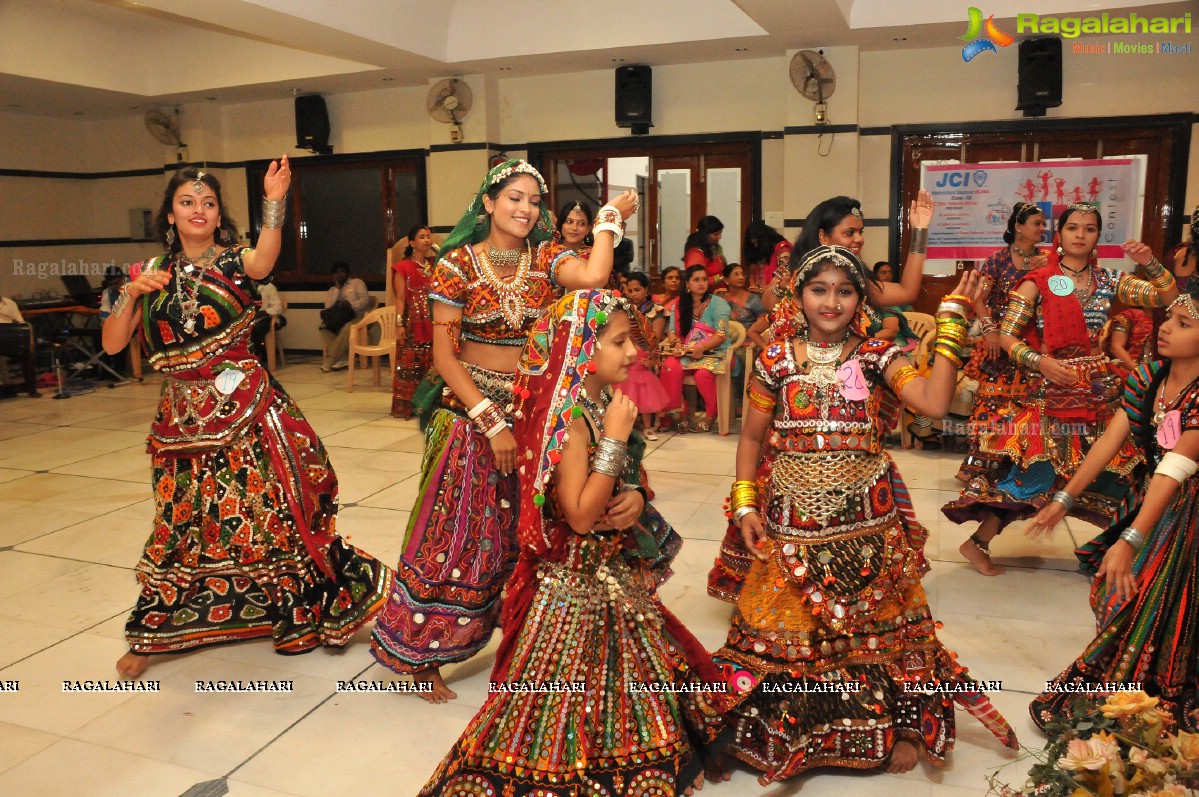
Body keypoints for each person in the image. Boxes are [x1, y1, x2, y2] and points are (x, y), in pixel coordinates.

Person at [708, 246, 1017, 781]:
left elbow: (934, 404)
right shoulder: (776, 358)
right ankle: (788, 730)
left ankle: (895, 725)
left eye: (845, 291)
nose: (832, 302)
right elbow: (753, 437)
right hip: (790, 523)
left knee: (879, 631)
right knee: (775, 630)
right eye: (819, 290)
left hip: (867, 526)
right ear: (798, 296)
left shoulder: (877, 355)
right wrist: (744, 503)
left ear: (860, 298)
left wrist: (950, 323)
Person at [417, 289, 724, 796]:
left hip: (608, 575)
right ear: (582, 348)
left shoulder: (596, 405)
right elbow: (580, 516)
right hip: (571, 589)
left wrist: (635, 496)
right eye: (620, 342)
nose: (632, 353)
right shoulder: (573, 423)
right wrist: (615, 440)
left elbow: (618, 484)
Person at [100, 163, 393, 678]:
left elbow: (264, 261)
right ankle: (160, 629)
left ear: (218, 216)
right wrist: (132, 293)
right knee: (183, 522)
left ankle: (293, 610)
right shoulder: (148, 271)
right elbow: (113, 343)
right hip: (181, 424)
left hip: (246, 413)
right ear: (170, 213)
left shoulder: (236, 261)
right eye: (188, 202)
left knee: (266, 515)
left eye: (208, 203)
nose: (198, 210)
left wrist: (274, 203)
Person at [369, 160, 637, 702]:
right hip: (468, 410)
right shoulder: (456, 266)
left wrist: (608, 219)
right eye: (514, 198)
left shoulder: (545, 257)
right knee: (459, 529)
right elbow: (445, 357)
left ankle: (515, 634)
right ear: (488, 203)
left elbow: (593, 277)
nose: (525, 209)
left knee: (522, 527)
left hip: (530, 409)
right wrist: (489, 422)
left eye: (535, 202)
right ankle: (424, 652)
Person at [954, 203, 1177, 575]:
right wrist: (1041, 363)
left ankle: (1123, 552)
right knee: (1039, 473)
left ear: (1096, 238)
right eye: (1073, 227)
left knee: (1121, 472)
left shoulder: (1110, 279)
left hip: (1097, 391)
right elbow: (1008, 337)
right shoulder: (1037, 280)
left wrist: (1151, 262)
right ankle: (977, 542)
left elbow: (1167, 298)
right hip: (1051, 389)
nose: (1080, 234)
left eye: (1089, 229)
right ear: (1060, 234)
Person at [1027, 285, 1199, 730]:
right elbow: (1111, 439)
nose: (1165, 328)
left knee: (1159, 604)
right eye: (1170, 318)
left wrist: (1130, 538)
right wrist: (1064, 498)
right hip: (1155, 501)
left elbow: (1176, 467)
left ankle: (1149, 698)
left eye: (1184, 324)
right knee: (1127, 598)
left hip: (1187, 516)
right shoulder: (1150, 377)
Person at [941, 202, 1050, 574]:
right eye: (1037, 223)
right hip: (1000, 361)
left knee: (1026, 448)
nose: (1042, 229)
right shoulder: (998, 262)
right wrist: (988, 330)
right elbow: (977, 299)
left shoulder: (1048, 262)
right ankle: (984, 519)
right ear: (1018, 227)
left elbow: (1068, 296)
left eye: (1044, 224)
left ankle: (993, 520)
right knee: (995, 443)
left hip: (1035, 359)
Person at [659, 265, 732, 433]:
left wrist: (702, 347)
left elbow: (721, 334)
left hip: (716, 353)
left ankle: (711, 415)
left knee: (702, 375)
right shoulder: (679, 305)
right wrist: (677, 343)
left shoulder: (718, 304)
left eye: (704, 279)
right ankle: (679, 413)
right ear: (687, 284)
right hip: (688, 353)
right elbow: (671, 332)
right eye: (696, 280)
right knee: (670, 366)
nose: (701, 283)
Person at [391, 224, 437, 419]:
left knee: (434, 364)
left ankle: (430, 405)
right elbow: (400, 298)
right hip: (412, 323)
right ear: (412, 243)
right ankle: (408, 406)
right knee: (411, 367)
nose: (427, 240)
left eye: (428, 236)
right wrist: (399, 323)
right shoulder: (402, 267)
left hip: (434, 322)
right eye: (422, 237)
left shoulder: (435, 265)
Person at [621, 271, 670, 440]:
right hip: (627, 353)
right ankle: (626, 425)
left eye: (638, 289)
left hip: (649, 355)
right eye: (630, 290)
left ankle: (648, 426)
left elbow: (654, 339)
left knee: (638, 380)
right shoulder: (623, 309)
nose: (634, 294)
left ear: (646, 290)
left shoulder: (656, 310)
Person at [319, 261, 371, 372]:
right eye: (336, 272)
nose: (339, 274)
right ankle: (343, 358)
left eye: (342, 271)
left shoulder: (356, 283)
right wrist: (338, 289)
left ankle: (330, 359)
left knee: (348, 327)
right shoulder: (333, 290)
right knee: (323, 327)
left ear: (347, 273)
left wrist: (350, 304)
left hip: (358, 316)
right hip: (340, 318)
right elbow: (328, 306)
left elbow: (366, 300)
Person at [0, 295, 39, 398]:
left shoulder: (10, 303)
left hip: (8, 342)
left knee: (28, 354)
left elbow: (20, 322)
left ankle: (32, 389)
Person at [248, 275, 286, 368]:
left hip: (267, 317)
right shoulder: (246, 287)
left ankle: (258, 355)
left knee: (256, 330)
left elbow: (278, 307)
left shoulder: (268, 287)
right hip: (250, 319)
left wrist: (263, 312)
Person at [1106, 307, 1153, 382]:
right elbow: (1116, 347)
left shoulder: (1169, 318)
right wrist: (1140, 372)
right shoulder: (1130, 315)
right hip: (1130, 372)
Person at [743, 220, 790, 288]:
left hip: (778, 292)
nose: (756, 246)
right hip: (761, 292)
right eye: (753, 244)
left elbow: (785, 275)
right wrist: (753, 285)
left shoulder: (783, 248)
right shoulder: (756, 252)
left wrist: (766, 289)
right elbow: (751, 274)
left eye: (757, 243)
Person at [682, 215, 726, 282]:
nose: (720, 237)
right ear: (705, 235)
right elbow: (697, 281)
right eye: (716, 234)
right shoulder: (695, 254)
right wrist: (721, 278)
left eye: (720, 233)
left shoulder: (715, 248)